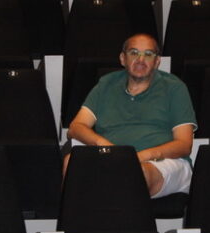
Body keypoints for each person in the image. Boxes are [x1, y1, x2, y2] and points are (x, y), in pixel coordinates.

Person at [65, 33, 197, 198]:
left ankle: (122, 221)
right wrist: (107, 147)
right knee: (71, 163)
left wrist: (141, 157)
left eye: (148, 54)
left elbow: (184, 145)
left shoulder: (175, 88)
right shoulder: (106, 84)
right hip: (112, 156)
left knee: (137, 173)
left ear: (157, 62)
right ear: (122, 58)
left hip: (161, 161)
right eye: (134, 53)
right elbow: (75, 127)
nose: (140, 59)